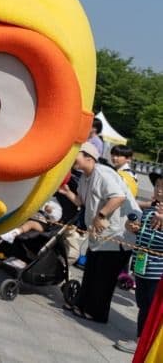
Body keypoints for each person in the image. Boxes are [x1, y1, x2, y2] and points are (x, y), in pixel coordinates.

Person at [59, 141, 133, 322]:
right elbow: (81, 202)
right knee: (91, 271)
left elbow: (119, 197)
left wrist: (101, 214)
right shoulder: (85, 176)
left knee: (104, 277)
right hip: (98, 235)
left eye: (76, 156)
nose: (72, 161)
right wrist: (68, 192)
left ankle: (97, 313)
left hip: (116, 235)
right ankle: (82, 304)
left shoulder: (103, 173)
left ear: (89, 157)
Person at [116, 174, 163, 354]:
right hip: (141, 266)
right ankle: (142, 339)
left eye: (162, 187)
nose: (158, 190)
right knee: (143, 304)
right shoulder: (150, 211)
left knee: (151, 308)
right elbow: (140, 232)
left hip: (157, 271)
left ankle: (142, 342)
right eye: (157, 186)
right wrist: (132, 226)